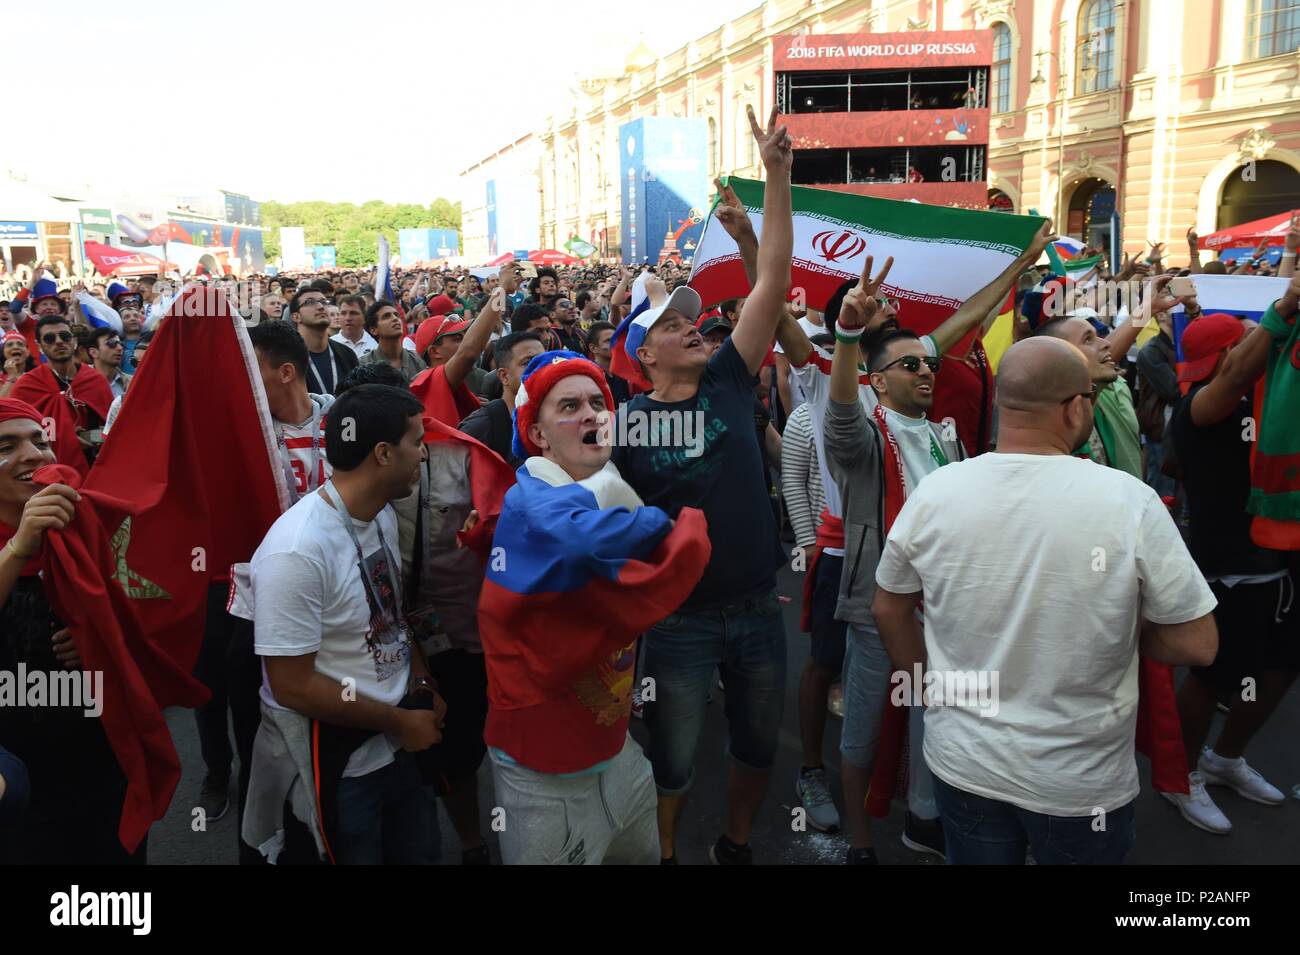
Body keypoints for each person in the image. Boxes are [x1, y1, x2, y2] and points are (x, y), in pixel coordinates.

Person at [872, 337, 1217, 864]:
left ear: (1003, 403)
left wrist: (928, 688)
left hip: (964, 764)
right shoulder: (1129, 500)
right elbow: (1198, 642)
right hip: (1079, 784)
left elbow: (888, 607)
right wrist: (1122, 629)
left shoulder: (937, 491)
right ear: (1076, 407)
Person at [611, 105, 792, 865]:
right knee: (675, 757)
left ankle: (737, 842)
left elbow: (774, 280)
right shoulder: (619, 426)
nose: (693, 324)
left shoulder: (726, 376)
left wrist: (777, 176)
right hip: (678, 623)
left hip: (758, 606)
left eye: (692, 318)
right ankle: (664, 852)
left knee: (755, 746)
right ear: (643, 356)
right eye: (671, 325)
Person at [479, 351, 711, 864]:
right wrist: (671, 526)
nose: (591, 414)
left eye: (597, 403)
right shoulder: (532, 500)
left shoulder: (602, 490)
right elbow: (574, 541)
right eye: (568, 405)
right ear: (537, 436)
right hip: (544, 778)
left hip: (616, 755)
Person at [244, 384, 444, 865]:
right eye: (416, 441)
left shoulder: (381, 515)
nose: (424, 452)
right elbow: (291, 685)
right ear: (382, 453)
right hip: (345, 764)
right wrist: (398, 721)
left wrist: (420, 681)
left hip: (400, 740)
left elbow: (391, 614)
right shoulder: (296, 551)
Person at [822, 260, 966, 863]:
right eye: (911, 364)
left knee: (934, 713)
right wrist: (850, 338)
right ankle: (859, 840)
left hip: (944, 606)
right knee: (864, 725)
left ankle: (924, 821)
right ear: (877, 381)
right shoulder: (867, 432)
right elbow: (840, 417)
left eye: (929, 363)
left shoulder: (945, 435)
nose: (926, 370)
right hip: (876, 608)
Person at [1164, 290, 1300, 835]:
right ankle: (1181, 778)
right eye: (1242, 342)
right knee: (1215, 676)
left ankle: (1226, 759)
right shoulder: (1201, 403)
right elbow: (1237, 377)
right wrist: (1283, 307)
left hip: (1283, 554)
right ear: (1223, 357)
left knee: (1282, 666)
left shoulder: (1269, 392)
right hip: (1231, 564)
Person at [0, 398, 145, 863]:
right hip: (15, 773)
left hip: (98, 751)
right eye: (6, 445)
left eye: (40, 440)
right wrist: (21, 546)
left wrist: (97, 638)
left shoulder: (87, 527)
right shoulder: (23, 543)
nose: (34, 454)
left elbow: (141, 623)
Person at [459, 331, 544, 468]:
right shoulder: (481, 426)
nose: (541, 368)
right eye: (528, 362)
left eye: (544, 360)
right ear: (504, 376)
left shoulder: (556, 418)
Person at [289, 287, 358, 396]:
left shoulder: (347, 354)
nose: (321, 307)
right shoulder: (286, 358)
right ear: (296, 317)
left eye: (323, 302)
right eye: (310, 302)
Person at [361, 300, 427, 382]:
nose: (395, 318)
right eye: (386, 316)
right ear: (373, 330)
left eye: (396, 315)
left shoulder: (418, 362)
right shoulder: (364, 365)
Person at [87, 327, 131, 399]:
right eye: (111, 343)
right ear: (93, 352)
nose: (120, 348)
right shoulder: (81, 381)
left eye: (121, 344)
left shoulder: (131, 382)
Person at [331, 293, 378, 358]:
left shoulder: (375, 344)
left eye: (353, 313)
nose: (348, 318)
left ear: (364, 317)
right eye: (343, 313)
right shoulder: (330, 345)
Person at [0, 330, 35, 398]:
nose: (15, 347)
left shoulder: (38, 375)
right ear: (3, 352)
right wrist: (11, 377)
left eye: (20, 344)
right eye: (10, 345)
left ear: (28, 352)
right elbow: (2, 405)